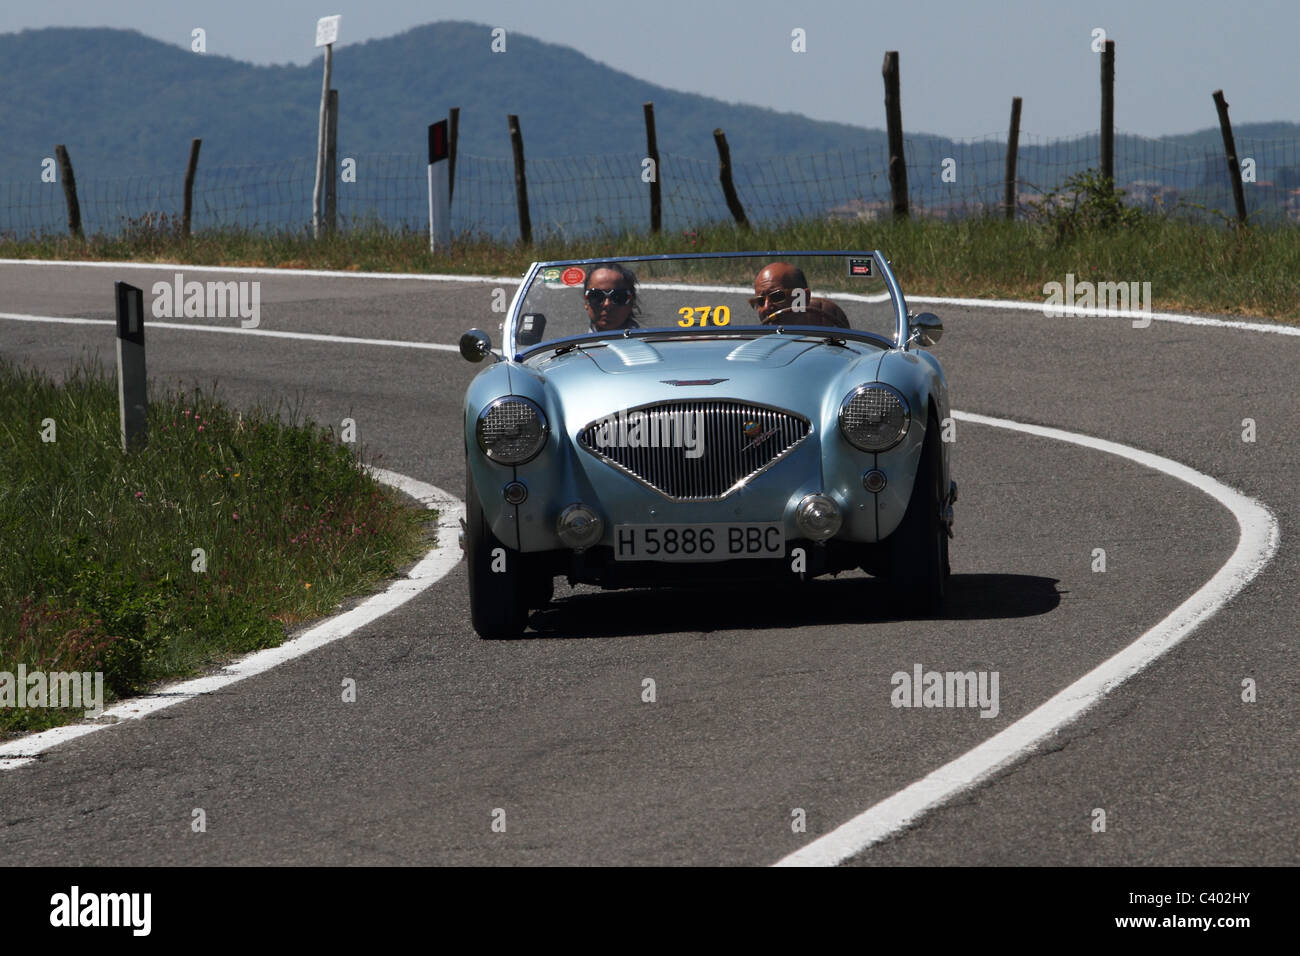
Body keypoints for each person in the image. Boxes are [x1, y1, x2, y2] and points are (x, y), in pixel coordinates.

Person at [748, 262, 850, 328]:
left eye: (777, 297)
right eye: (760, 301)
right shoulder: (752, 350)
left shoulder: (830, 340)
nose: (766, 307)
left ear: (803, 297)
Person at [583, 263, 641, 332]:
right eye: (596, 296)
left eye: (618, 297)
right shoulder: (576, 342)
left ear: (631, 303)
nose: (607, 304)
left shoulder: (647, 342)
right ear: (586, 302)